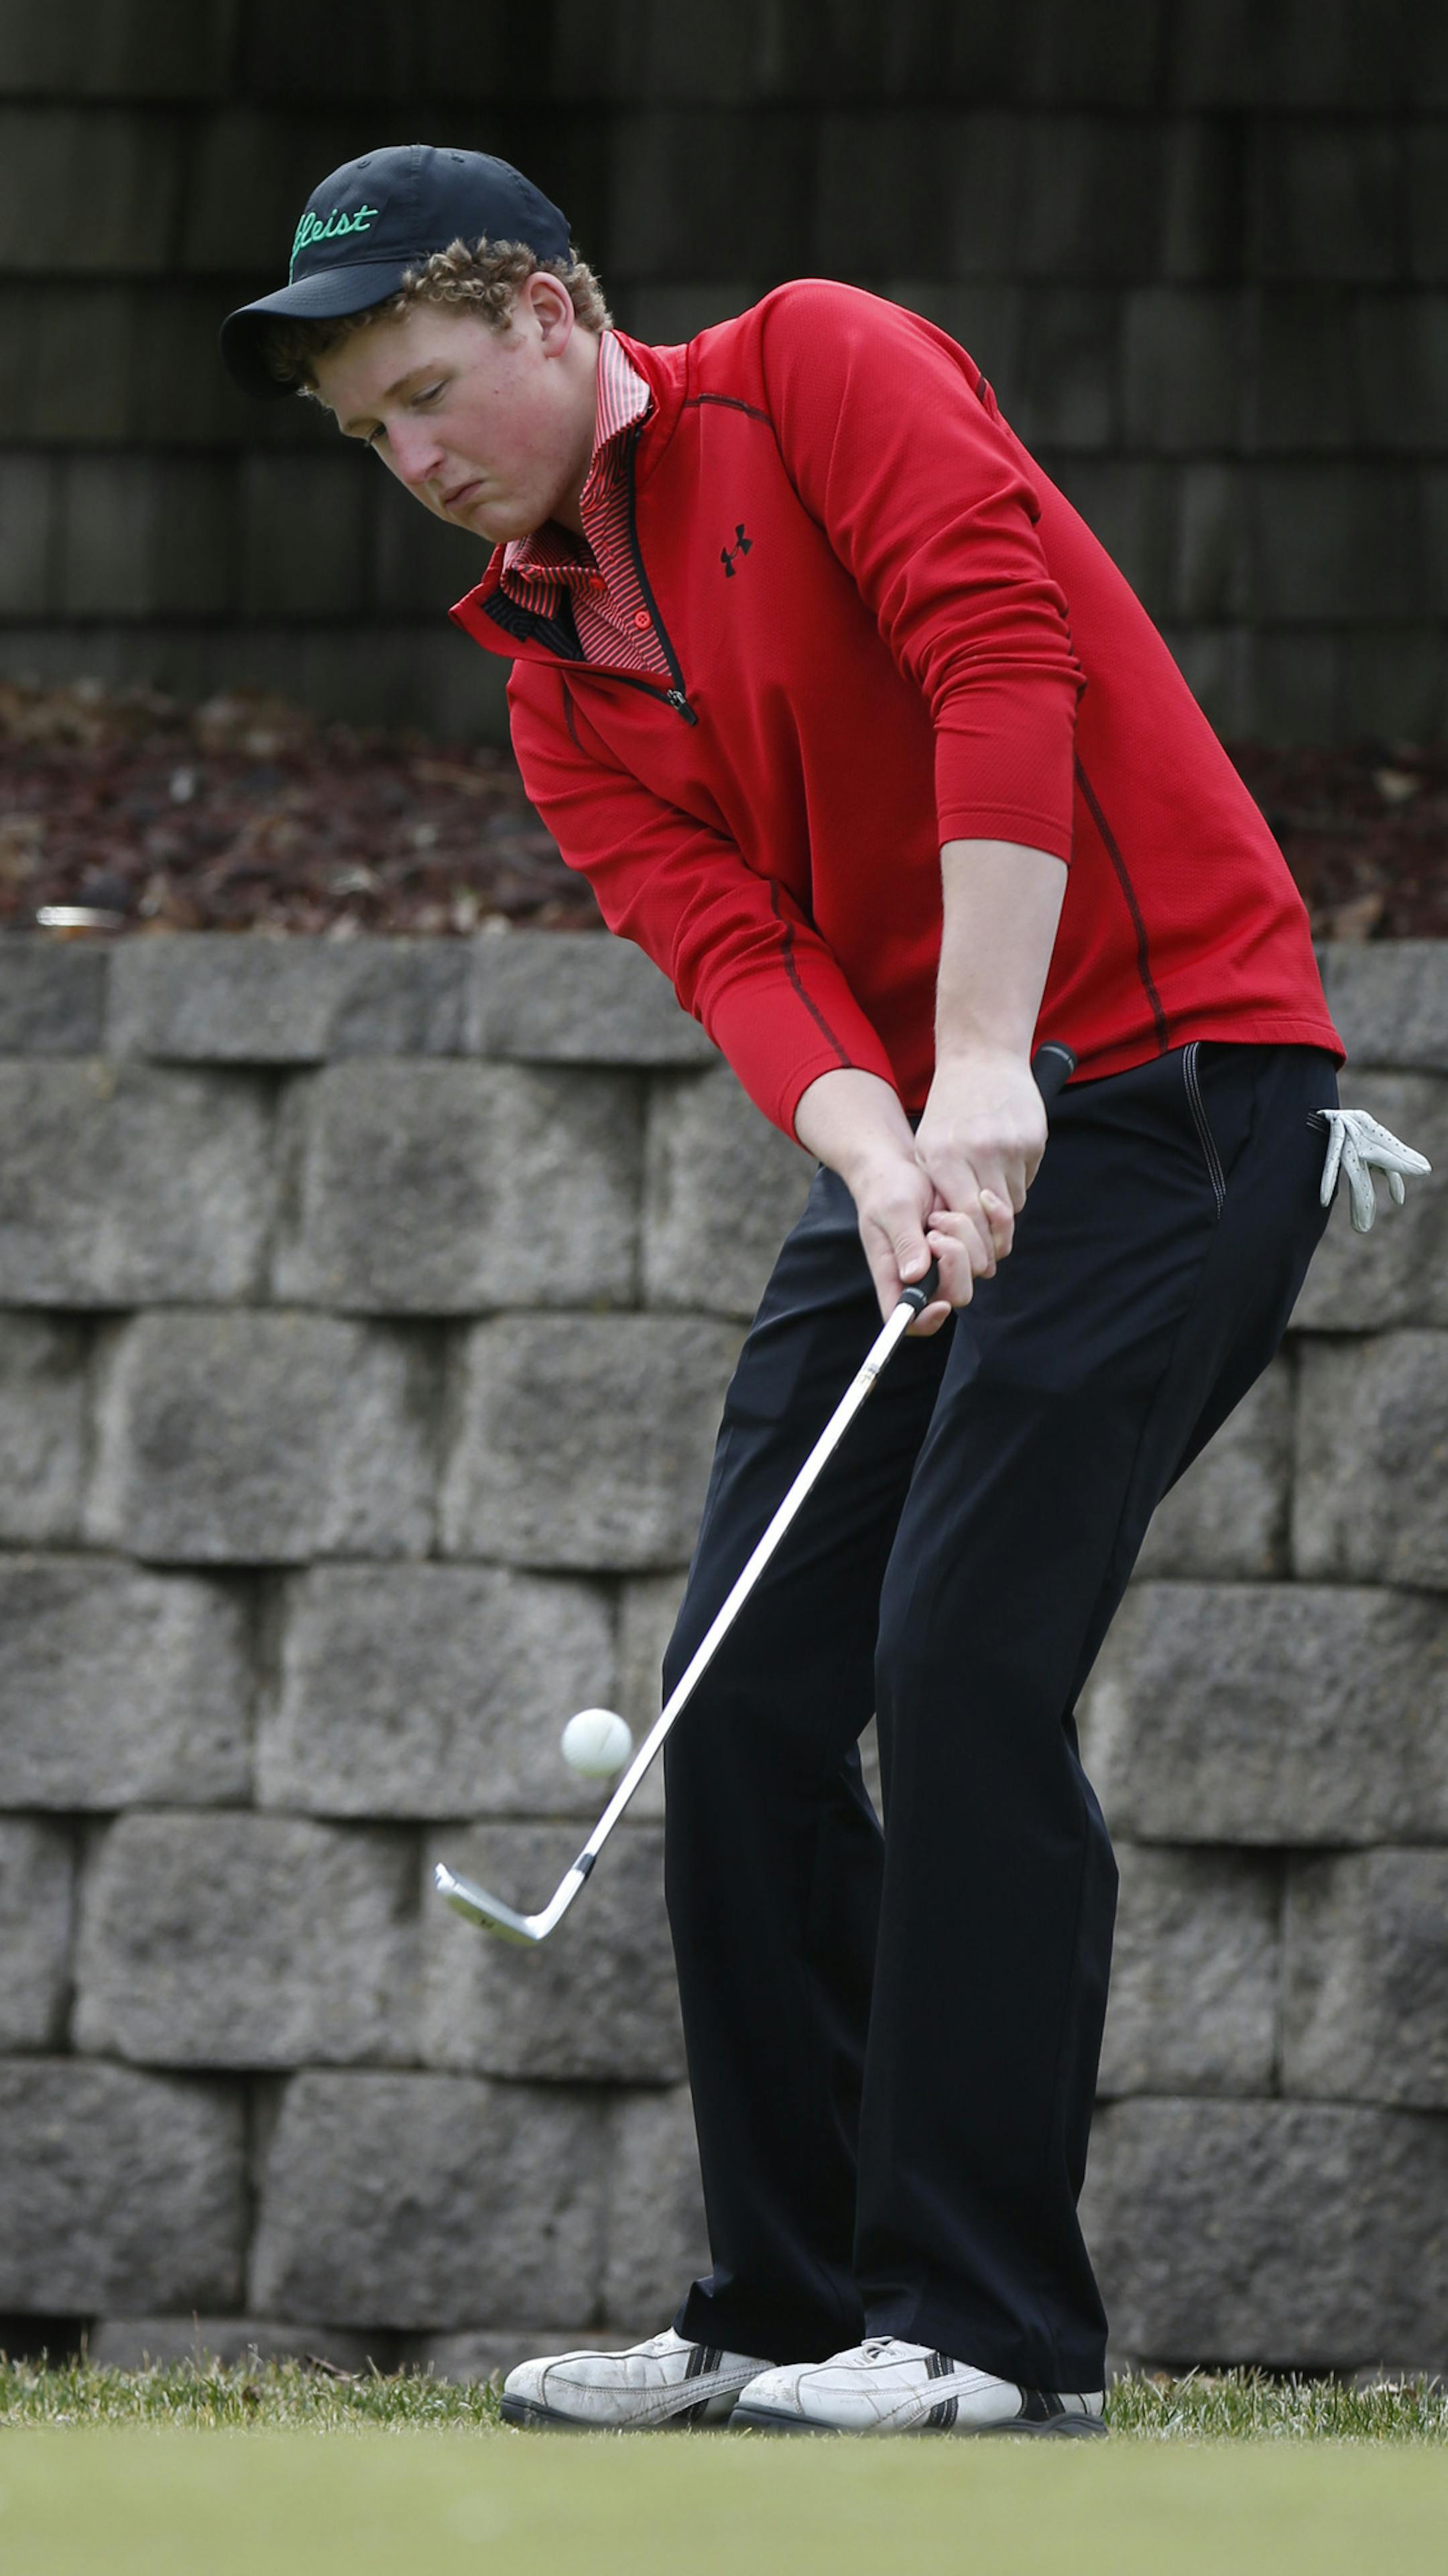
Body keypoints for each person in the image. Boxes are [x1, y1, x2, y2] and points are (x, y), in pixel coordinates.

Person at [223, 145, 1426, 2439]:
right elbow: (736, 949)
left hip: (1178, 1084)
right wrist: (883, 1144)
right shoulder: (550, 678)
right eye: (373, 430)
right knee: (747, 1688)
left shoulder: (823, 367)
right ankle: (786, 2303)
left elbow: (1002, 657)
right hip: (930, 1119)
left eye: (431, 389)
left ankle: (991, 2328)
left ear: (555, 310)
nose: (414, 456)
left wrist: (984, 1057)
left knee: (958, 1656)